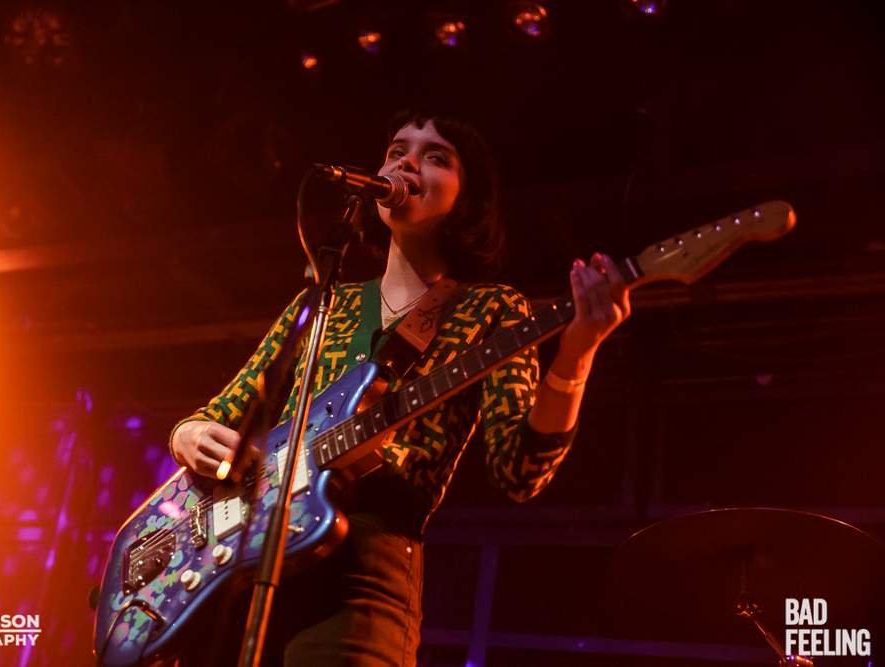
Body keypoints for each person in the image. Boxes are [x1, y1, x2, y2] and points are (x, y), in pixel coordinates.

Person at [168, 110, 632, 666]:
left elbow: (520, 471)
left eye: (436, 156)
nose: (407, 162)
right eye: (396, 151)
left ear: (468, 198)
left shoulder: (491, 308)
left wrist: (577, 352)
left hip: (360, 572)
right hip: (244, 567)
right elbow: (221, 411)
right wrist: (189, 433)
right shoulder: (323, 303)